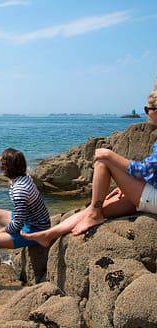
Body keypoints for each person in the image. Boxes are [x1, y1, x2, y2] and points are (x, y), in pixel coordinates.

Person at [21, 94, 157, 248]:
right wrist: (126, 186)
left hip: (153, 196)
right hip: (150, 192)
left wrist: (110, 155)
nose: (146, 113)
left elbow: (145, 170)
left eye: (148, 109)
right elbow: (153, 171)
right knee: (98, 208)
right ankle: (49, 235)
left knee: (103, 159)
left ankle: (94, 214)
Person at [0, 148, 51, 284]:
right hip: (29, 218)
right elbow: (20, 217)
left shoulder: (19, 190)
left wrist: (4, 230)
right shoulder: (23, 176)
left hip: (34, 229)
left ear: (6, 168)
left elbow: (18, 223)